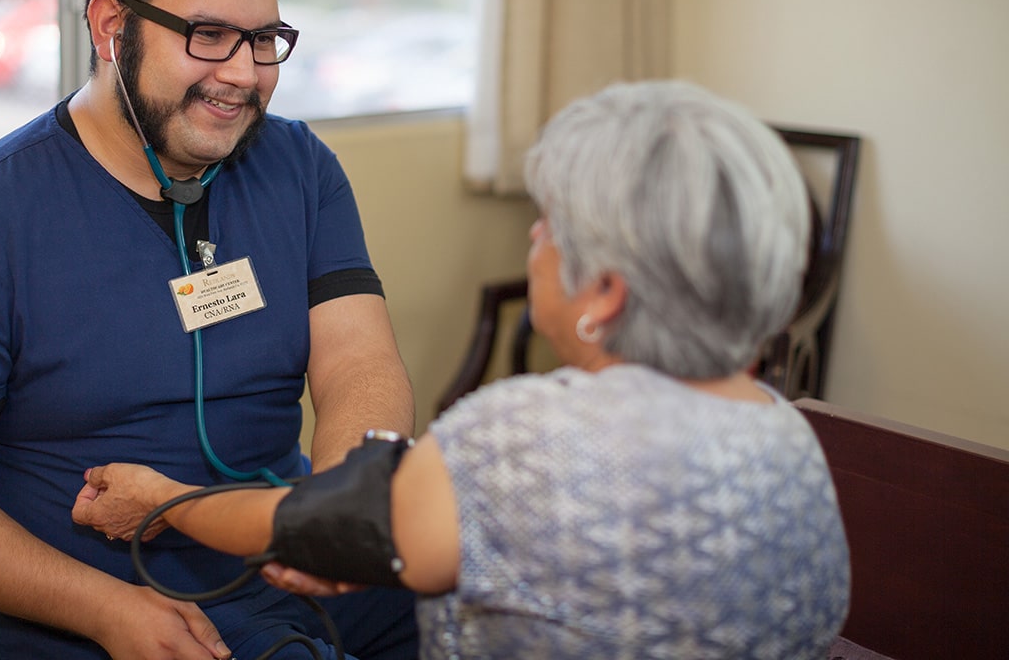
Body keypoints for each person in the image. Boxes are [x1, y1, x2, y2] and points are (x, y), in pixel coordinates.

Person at [73, 80, 852, 659]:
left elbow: (299, 530)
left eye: (552, 226)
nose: (537, 236)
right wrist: (355, 530)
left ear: (605, 294)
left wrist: (163, 500)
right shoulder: (790, 436)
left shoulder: (525, 442)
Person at [0, 0, 418, 660]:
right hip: (98, 608)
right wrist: (105, 609)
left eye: (264, 39)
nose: (244, 75)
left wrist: (334, 514)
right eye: (209, 35)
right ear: (113, 28)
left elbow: (358, 362)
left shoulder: (300, 169)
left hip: (280, 560)